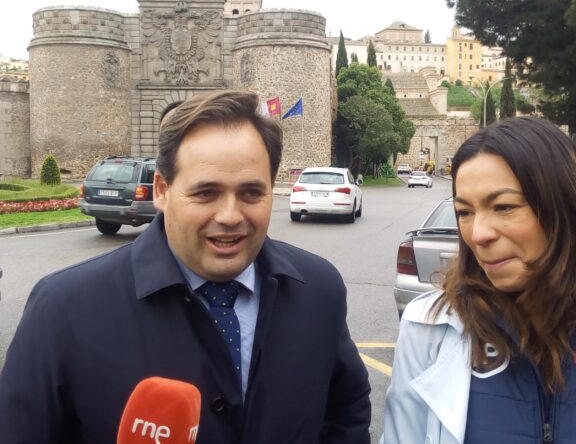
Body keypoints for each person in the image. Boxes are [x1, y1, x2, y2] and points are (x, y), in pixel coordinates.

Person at [0, 91, 371, 443]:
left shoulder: (319, 290)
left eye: (251, 192)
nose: (230, 216)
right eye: (206, 193)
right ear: (162, 190)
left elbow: (346, 412)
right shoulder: (63, 310)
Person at [382, 117, 576, 444]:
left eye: (504, 207)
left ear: (566, 207)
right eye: (465, 212)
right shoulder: (427, 329)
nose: (478, 234)